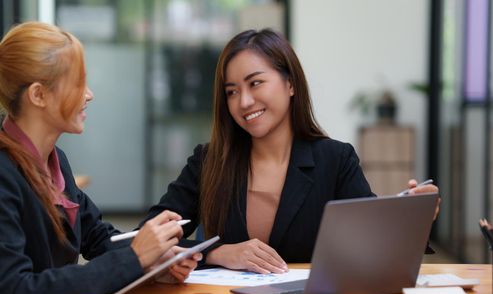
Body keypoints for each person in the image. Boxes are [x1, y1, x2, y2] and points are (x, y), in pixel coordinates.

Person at [0, 22, 199, 294]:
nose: (89, 94)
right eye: (78, 83)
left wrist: (155, 261)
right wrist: (134, 258)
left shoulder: (55, 160)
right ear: (38, 95)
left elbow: (100, 240)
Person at [141, 28, 440, 275]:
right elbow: (146, 239)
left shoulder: (335, 160)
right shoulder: (209, 161)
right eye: (231, 91)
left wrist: (415, 218)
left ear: (291, 84)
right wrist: (217, 253)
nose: (244, 101)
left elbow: (374, 245)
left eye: (255, 83)